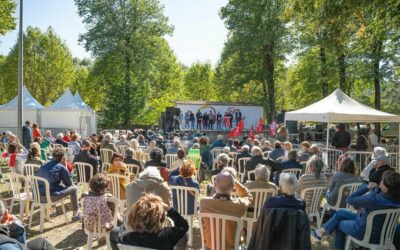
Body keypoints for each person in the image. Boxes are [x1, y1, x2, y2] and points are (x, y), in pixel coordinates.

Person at [312, 171, 400, 250]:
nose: (380, 181)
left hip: (365, 233)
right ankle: (319, 233)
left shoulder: (373, 199)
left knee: (338, 223)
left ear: (385, 187)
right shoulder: (396, 199)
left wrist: (367, 187)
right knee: (340, 213)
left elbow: (350, 199)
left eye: (382, 180)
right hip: (384, 232)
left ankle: (337, 247)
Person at [110, 194, 188, 250]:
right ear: (160, 218)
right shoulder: (167, 236)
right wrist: (169, 209)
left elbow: (114, 233)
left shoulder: (125, 237)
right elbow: (183, 226)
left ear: (133, 217)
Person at [200, 173, 252, 250]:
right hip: (232, 248)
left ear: (215, 185)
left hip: (210, 247)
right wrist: (236, 183)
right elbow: (248, 196)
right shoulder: (240, 205)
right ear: (233, 187)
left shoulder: (203, 202)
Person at [36, 147, 80, 220]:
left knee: (54, 187)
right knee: (74, 188)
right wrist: (65, 167)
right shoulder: (60, 167)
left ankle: (52, 210)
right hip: (49, 197)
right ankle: (75, 214)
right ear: (63, 157)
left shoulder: (44, 164)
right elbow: (69, 183)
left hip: (37, 196)